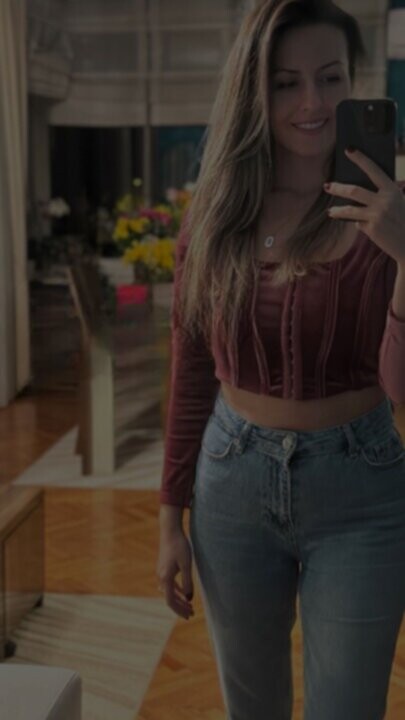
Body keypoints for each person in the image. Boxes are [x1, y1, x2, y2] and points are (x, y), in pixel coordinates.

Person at [157, 1, 405, 718]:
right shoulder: (216, 214)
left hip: (363, 489)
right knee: (252, 708)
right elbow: (192, 368)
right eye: (286, 83)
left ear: (353, 81)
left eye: (330, 78)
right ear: (253, 91)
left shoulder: (390, 212)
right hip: (231, 485)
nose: (312, 103)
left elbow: (397, 387)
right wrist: (169, 520)